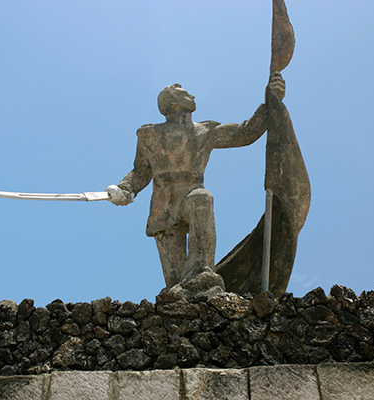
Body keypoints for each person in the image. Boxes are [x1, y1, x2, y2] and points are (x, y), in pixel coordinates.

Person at [106, 74, 286, 288]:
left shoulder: (205, 131)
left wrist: (271, 101)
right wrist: (125, 190)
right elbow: (141, 171)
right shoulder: (150, 134)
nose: (192, 95)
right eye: (185, 94)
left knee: (202, 199)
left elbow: (244, 133)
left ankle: (202, 270)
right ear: (171, 102)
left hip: (191, 192)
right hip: (163, 208)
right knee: (176, 284)